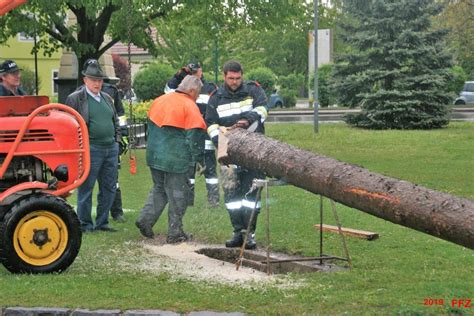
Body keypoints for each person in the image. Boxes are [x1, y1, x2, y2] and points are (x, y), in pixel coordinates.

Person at [205, 60, 268, 249]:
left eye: (238, 78)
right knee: (232, 196)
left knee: (251, 196)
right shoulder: (215, 98)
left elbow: (263, 109)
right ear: (224, 76)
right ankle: (237, 232)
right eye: (231, 78)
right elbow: (210, 124)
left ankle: (250, 234)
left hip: (253, 152)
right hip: (228, 155)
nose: (234, 82)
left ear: (242, 76)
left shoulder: (253, 90)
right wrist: (222, 143)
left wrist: (246, 121)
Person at [135, 75, 206, 243]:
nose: (197, 97)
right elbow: (195, 136)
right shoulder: (189, 106)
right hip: (175, 159)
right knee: (178, 194)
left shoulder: (160, 100)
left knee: (159, 188)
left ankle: (145, 219)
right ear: (192, 90)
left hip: (154, 155)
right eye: (198, 93)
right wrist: (200, 160)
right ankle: (175, 232)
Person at [64, 59, 121, 233]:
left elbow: (115, 120)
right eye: (93, 79)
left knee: (109, 187)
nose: (97, 83)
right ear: (85, 80)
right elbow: (68, 123)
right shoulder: (75, 98)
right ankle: (85, 224)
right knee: (86, 188)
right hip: (91, 150)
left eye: (99, 80)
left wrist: (117, 140)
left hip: (110, 148)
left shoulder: (107, 98)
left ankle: (102, 223)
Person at [164, 63, 219, 207]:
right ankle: (188, 199)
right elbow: (168, 93)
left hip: (205, 135)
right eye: (191, 72)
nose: (194, 74)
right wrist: (177, 76)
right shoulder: (181, 88)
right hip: (189, 136)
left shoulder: (210, 88)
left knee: (210, 170)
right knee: (189, 170)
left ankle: (213, 199)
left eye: (196, 71)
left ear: (201, 71)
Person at [102, 80, 128, 223]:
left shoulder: (111, 91)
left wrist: (122, 136)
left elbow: (120, 115)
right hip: (92, 144)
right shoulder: (79, 94)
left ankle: (116, 211)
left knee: (113, 180)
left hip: (111, 142)